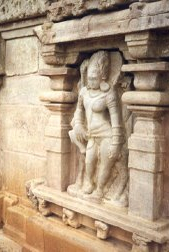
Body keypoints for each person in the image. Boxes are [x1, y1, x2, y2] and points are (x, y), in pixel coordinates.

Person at [70, 51, 125, 198]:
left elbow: (116, 121)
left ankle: (100, 189)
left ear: (103, 77)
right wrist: (79, 126)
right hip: (92, 136)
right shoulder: (84, 92)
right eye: (89, 78)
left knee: (105, 164)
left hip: (107, 134)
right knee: (90, 161)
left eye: (94, 79)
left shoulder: (109, 94)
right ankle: (89, 183)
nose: (91, 82)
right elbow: (79, 112)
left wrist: (116, 143)